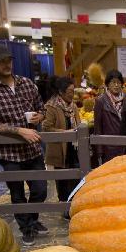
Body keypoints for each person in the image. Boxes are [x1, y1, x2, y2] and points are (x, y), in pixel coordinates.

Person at [0, 44, 48, 246]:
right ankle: (26, 227)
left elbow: (41, 107)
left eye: (9, 60)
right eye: (1, 61)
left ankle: (32, 219)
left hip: (32, 148)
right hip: (9, 152)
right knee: (17, 193)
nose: (7, 64)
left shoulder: (27, 83)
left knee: (40, 189)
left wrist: (39, 116)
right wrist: (19, 130)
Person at [43, 76, 81, 214]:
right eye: (70, 91)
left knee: (77, 177)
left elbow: (79, 122)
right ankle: (64, 208)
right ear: (61, 92)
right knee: (63, 180)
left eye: (73, 91)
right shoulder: (51, 107)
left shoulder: (74, 106)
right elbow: (47, 128)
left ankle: (75, 205)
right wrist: (66, 132)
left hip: (74, 148)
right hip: (60, 149)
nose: (73, 94)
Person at [92, 69, 126, 164]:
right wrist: (99, 151)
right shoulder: (101, 101)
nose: (116, 85)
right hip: (109, 147)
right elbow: (97, 127)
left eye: (119, 82)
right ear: (108, 84)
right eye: (113, 82)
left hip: (125, 145)